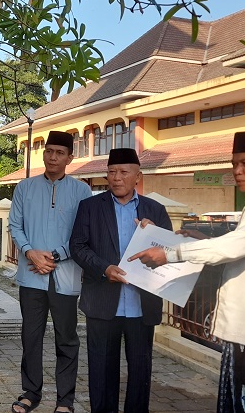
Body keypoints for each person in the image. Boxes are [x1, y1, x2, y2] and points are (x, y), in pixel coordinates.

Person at [128, 131, 245, 413]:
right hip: (242, 329)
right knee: (234, 402)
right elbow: (243, 244)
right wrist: (202, 240)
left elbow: (236, 245)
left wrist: (171, 253)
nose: (237, 171)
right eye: (234, 163)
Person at [69, 147, 172, 413]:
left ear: (137, 176)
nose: (116, 178)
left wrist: (156, 235)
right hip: (103, 302)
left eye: (124, 172)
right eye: (112, 172)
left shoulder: (156, 210)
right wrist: (104, 269)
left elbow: (169, 253)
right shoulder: (90, 207)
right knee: (102, 371)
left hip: (141, 304)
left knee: (140, 372)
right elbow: (78, 246)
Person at [8, 131, 92, 413]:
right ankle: (31, 392)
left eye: (59, 152)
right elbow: (15, 226)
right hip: (31, 274)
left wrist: (56, 256)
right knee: (30, 336)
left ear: (70, 157)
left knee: (66, 338)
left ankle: (65, 400)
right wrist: (31, 251)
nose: (52, 157)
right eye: (48, 151)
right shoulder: (24, 188)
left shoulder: (82, 191)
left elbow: (83, 232)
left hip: (64, 277)